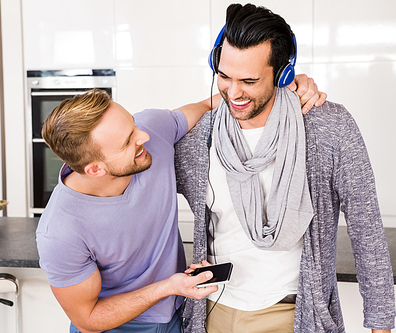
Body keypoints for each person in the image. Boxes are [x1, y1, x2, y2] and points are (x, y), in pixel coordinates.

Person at [175, 3, 395, 333]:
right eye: (223, 76)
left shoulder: (327, 127)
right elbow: (135, 162)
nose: (233, 92)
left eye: (248, 80)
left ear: (283, 74)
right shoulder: (199, 137)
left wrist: (381, 325)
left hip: (292, 315)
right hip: (214, 312)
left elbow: (367, 228)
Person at [36, 84, 324, 330]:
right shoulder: (60, 231)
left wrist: (278, 88)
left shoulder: (150, 130)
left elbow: (205, 105)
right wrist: (168, 287)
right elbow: (88, 318)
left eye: (133, 125)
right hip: (120, 326)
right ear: (96, 169)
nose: (144, 137)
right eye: (128, 141)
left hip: (177, 314)